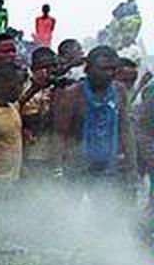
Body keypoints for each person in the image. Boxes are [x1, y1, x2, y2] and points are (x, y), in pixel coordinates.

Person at [55, 45, 133, 189]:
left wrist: (131, 166)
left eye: (112, 69)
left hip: (110, 166)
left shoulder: (119, 91)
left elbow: (125, 130)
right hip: (77, 166)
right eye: (103, 69)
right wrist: (57, 170)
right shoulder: (72, 94)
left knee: (107, 209)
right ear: (88, 69)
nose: (109, 73)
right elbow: (60, 134)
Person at [19, 47, 60, 177]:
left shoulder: (61, 88)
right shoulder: (20, 87)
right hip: (28, 154)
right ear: (33, 68)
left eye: (51, 67)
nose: (46, 72)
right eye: (42, 67)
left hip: (53, 153)